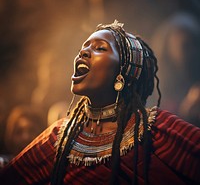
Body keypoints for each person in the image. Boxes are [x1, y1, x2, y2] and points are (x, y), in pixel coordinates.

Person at [0, 20, 199, 185]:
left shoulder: (157, 129)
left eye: (100, 48)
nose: (83, 53)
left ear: (123, 72)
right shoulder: (59, 138)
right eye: (84, 47)